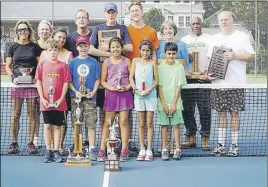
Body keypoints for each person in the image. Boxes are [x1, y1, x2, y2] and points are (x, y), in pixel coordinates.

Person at [207, 11, 255, 156]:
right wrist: (208, 74)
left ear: (232, 20)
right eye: (221, 20)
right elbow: (211, 60)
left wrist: (234, 56)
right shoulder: (214, 39)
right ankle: (220, 144)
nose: (224, 22)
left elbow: (251, 56)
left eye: (226, 19)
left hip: (236, 83)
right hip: (218, 84)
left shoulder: (242, 36)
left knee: (234, 113)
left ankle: (234, 145)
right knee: (221, 114)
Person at [5, 20, 41, 154]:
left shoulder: (34, 47)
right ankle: (14, 143)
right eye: (20, 30)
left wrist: (36, 77)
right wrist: (13, 77)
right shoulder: (12, 47)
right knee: (15, 115)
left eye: (25, 29)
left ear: (29, 31)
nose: (23, 32)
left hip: (32, 85)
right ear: (17, 32)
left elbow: (40, 65)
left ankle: (31, 143)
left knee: (32, 114)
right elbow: (8, 66)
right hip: (17, 85)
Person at [97, 37, 133, 162]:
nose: (115, 49)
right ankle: (102, 149)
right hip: (111, 96)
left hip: (125, 95)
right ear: (109, 48)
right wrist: (111, 89)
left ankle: (124, 149)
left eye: (118, 47)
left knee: (123, 121)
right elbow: (102, 81)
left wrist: (127, 87)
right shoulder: (106, 62)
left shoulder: (127, 61)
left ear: (121, 48)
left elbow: (131, 79)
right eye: (113, 47)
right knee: (108, 123)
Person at [35, 39, 71, 163]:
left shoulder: (63, 65)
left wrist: (61, 99)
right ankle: (48, 150)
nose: (53, 52)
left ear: (58, 51)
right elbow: (38, 82)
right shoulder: (41, 64)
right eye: (50, 50)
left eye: (55, 50)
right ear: (46, 51)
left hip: (59, 103)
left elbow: (66, 83)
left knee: (57, 127)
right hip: (45, 103)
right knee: (47, 126)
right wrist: (42, 98)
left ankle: (56, 150)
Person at [180, 17, 211, 150]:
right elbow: (180, 59)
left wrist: (208, 74)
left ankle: (205, 137)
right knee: (187, 110)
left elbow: (213, 57)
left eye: (198, 23)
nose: (195, 26)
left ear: (202, 25)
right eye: (193, 24)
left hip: (204, 79)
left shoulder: (210, 39)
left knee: (204, 109)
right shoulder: (184, 41)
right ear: (190, 26)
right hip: (187, 80)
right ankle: (190, 136)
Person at [68, 35, 100, 161]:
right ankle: (78, 147)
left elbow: (97, 80)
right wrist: (75, 91)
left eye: (85, 46)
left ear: (89, 46)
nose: (83, 48)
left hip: (90, 98)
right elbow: (69, 81)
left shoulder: (94, 62)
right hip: (75, 98)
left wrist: (93, 92)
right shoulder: (72, 62)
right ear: (77, 47)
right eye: (80, 46)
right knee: (77, 123)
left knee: (91, 123)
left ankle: (92, 148)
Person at [129, 40, 158, 161]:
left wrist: (149, 90)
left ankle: (149, 149)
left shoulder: (153, 63)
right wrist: (135, 88)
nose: (145, 52)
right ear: (140, 51)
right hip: (138, 95)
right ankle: (142, 148)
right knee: (141, 124)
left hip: (150, 96)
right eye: (143, 50)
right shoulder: (135, 61)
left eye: (147, 50)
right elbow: (131, 77)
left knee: (149, 123)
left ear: (150, 51)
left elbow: (156, 80)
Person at [157, 42, 187, 161]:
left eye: (173, 54)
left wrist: (174, 103)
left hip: (176, 102)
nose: (171, 56)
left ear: (176, 54)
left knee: (176, 126)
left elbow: (179, 86)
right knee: (164, 126)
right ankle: (165, 149)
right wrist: (163, 103)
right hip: (163, 102)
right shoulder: (159, 68)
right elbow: (159, 86)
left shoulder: (179, 67)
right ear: (164, 54)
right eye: (169, 53)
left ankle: (177, 149)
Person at [33, 20, 53, 148]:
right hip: (37, 84)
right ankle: (36, 138)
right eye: (42, 29)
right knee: (36, 113)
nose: (44, 31)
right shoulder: (33, 46)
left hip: (51, 85)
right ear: (38, 31)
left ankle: (51, 141)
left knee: (50, 113)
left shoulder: (53, 46)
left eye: (47, 29)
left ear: (50, 31)